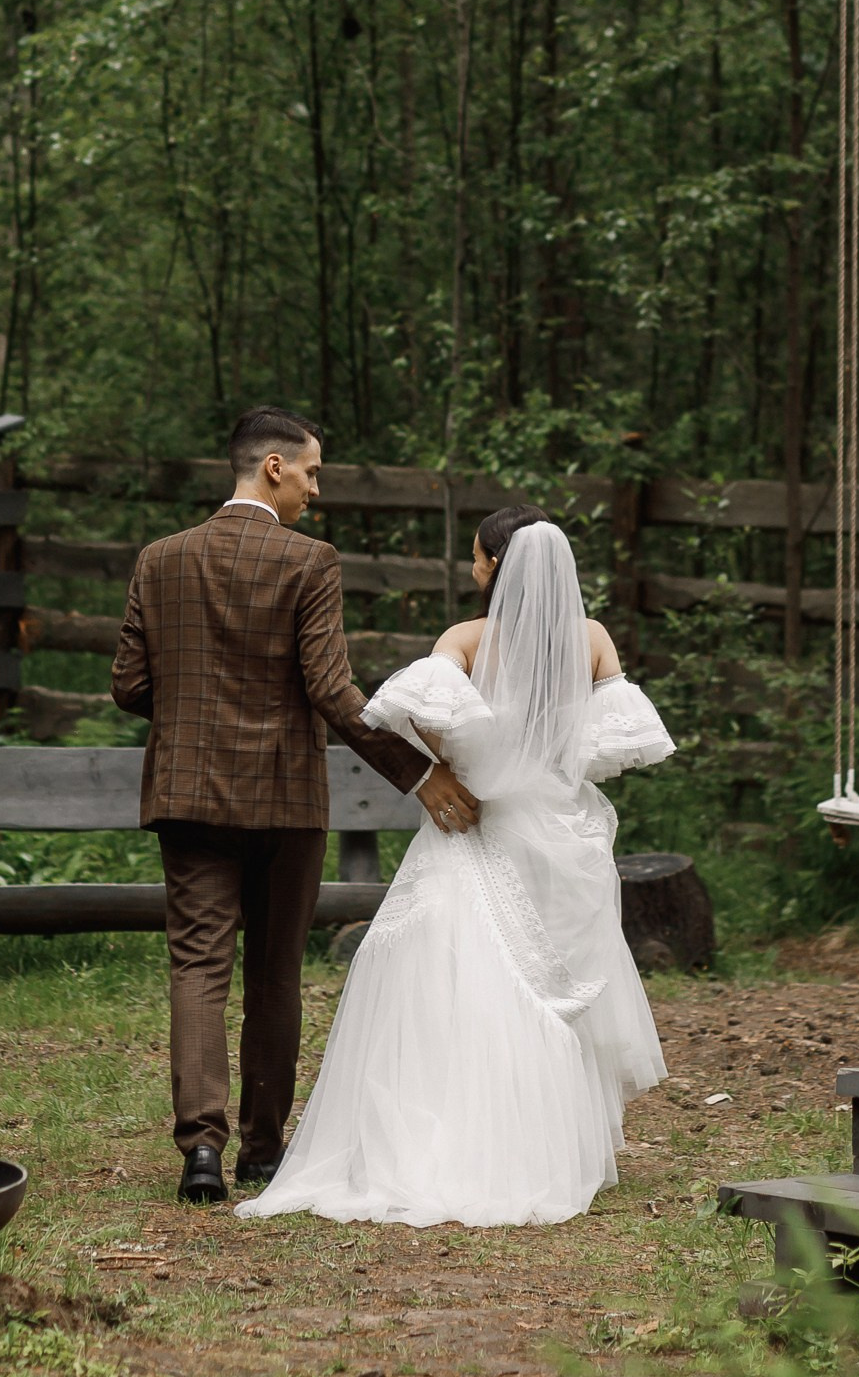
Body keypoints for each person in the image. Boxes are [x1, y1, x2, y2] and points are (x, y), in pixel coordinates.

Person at [239, 510, 675, 1230]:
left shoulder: (465, 641)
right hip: (561, 836)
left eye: (475, 557)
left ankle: (442, 1137)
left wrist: (460, 758)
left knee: (455, 981)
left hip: (477, 828)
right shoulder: (593, 640)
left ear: (496, 566)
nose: (471, 569)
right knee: (552, 988)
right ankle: (548, 1144)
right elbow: (604, 747)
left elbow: (422, 723)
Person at [111, 407, 482, 1206]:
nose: (316, 490)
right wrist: (419, 774)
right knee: (275, 972)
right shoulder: (310, 561)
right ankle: (261, 1151)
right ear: (273, 466)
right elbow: (331, 689)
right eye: (312, 473)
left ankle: (200, 1152)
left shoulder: (159, 559)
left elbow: (129, 685)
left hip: (188, 793)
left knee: (198, 966)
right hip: (285, 797)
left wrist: (196, 717)